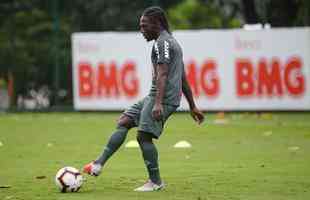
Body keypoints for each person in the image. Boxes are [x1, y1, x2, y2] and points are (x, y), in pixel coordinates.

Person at [83, 6, 205, 192]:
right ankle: (98, 164)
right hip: (155, 96)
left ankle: (155, 182)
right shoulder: (171, 42)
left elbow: (163, 75)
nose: (141, 30)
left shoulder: (162, 43)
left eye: (144, 26)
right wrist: (193, 106)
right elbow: (183, 77)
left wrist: (157, 103)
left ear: (157, 24)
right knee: (124, 121)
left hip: (162, 99)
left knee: (143, 136)